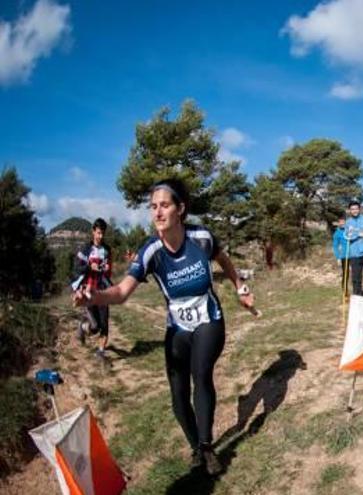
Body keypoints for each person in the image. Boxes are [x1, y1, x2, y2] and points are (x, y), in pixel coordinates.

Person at [72, 179, 255, 476]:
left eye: (165, 205)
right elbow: (120, 293)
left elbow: (222, 258)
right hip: (178, 327)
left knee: (201, 373)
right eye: (153, 207)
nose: (157, 212)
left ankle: (207, 447)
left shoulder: (201, 238)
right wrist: (94, 296)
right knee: (177, 393)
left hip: (209, 318)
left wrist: (240, 286)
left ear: (180, 209)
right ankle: (196, 447)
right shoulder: (151, 251)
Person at [74, 218, 113, 359]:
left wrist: (107, 269)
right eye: (98, 233)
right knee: (95, 326)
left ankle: (101, 351)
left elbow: (108, 272)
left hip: (103, 290)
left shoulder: (107, 250)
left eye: (102, 233)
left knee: (104, 323)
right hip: (88, 290)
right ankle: (83, 327)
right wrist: (89, 267)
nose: (100, 236)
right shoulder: (85, 250)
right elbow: (76, 269)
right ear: (93, 232)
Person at [332, 217, 349, 293]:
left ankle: (357, 292)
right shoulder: (337, 233)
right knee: (346, 274)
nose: (342, 223)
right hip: (344, 256)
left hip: (353, 255)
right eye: (341, 222)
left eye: (344, 222)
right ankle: (345, 292)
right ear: (339, 223)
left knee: (355, 274)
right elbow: (335, 246)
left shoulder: (349, 231)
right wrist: (338, 257)